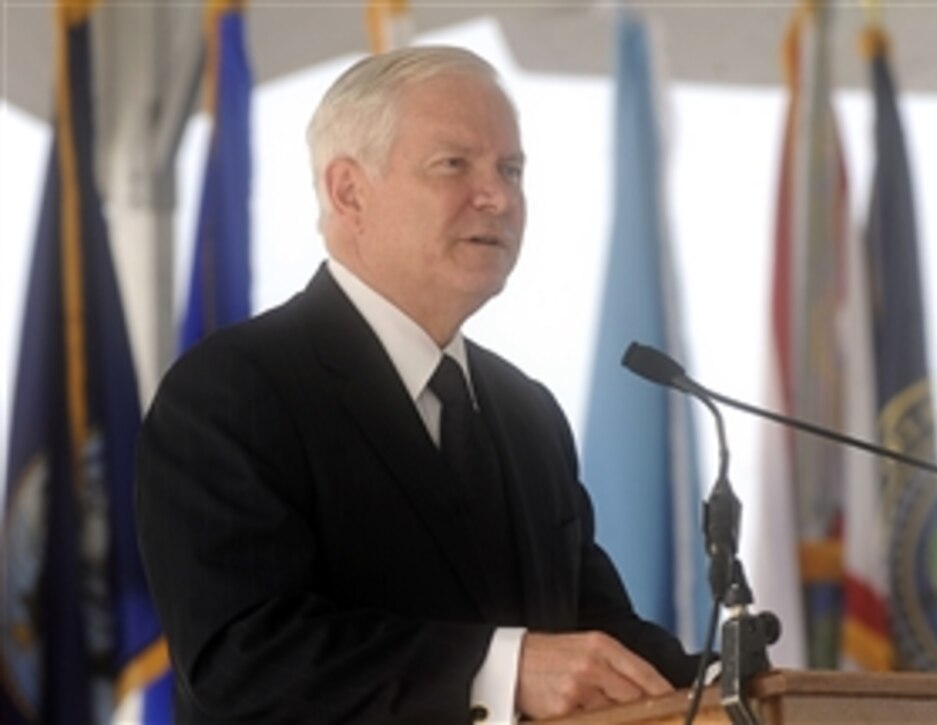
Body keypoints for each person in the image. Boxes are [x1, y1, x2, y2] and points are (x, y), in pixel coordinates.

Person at [136, 45, 699, 723]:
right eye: (454, 165)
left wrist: (744, 685)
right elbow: (246, 659)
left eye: (511, 169)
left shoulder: (528, 413)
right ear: (349, 191)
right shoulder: (231, 393)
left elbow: (597, 634)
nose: (498, 196)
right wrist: (504, 669)